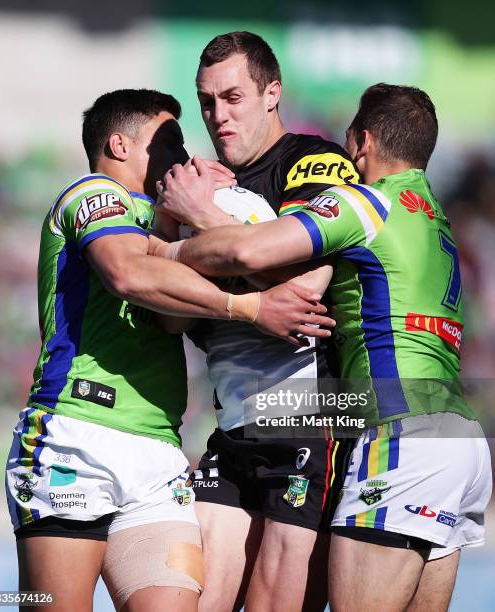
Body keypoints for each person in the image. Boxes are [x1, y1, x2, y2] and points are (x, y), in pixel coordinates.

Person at [157, 83, 492, 612]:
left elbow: (249, 249)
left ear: (360, 142)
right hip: (463, 442)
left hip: (400, 432)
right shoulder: (435, 219)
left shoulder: (367, 201)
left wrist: (172, 235)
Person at [5, 88, 334, 612]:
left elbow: (172, 318)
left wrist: (185, 216)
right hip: (74, 436)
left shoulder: (157, 215)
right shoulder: (90, 193)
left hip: (158, 454)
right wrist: (250, 308)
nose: (183, 156)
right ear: (119, 144)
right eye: (170, 142)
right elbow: (128, 272)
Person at [157, 31, 360, 612]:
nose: (217, 116)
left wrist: (199, 220)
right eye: (206, 101)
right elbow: (171, 323)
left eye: (233, 97)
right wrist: (172, 229)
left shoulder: (314, 162)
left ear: (273, 93)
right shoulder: (203, 183)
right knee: (193, 601)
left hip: (309, 417)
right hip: (233, 424)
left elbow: (300, 291)